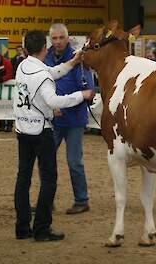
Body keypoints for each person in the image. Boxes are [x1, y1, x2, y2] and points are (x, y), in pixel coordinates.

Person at [14, 30, 94, 241]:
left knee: (23, 178)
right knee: (49, 180)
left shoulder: (23, 65)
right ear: (45, 47)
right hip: (41, 132)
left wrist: (72, 62)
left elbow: (52, 71)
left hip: (23, 130)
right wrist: (82, 95)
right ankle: (41, 228)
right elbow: (54, 101)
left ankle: (22, 227)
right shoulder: (42, 75)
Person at [44, 23, 95, 214]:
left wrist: (63, 105)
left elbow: (88, 91)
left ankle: (82, 200)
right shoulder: (45, 58)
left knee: (74, 162)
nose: (57, 42)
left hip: (74, 120)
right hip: (52, 120)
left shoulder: (79, 60)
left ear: (67, 38)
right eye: (54, 38)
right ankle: (47, 201)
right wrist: (51, 105)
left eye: (60, 38)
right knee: (47, 161)